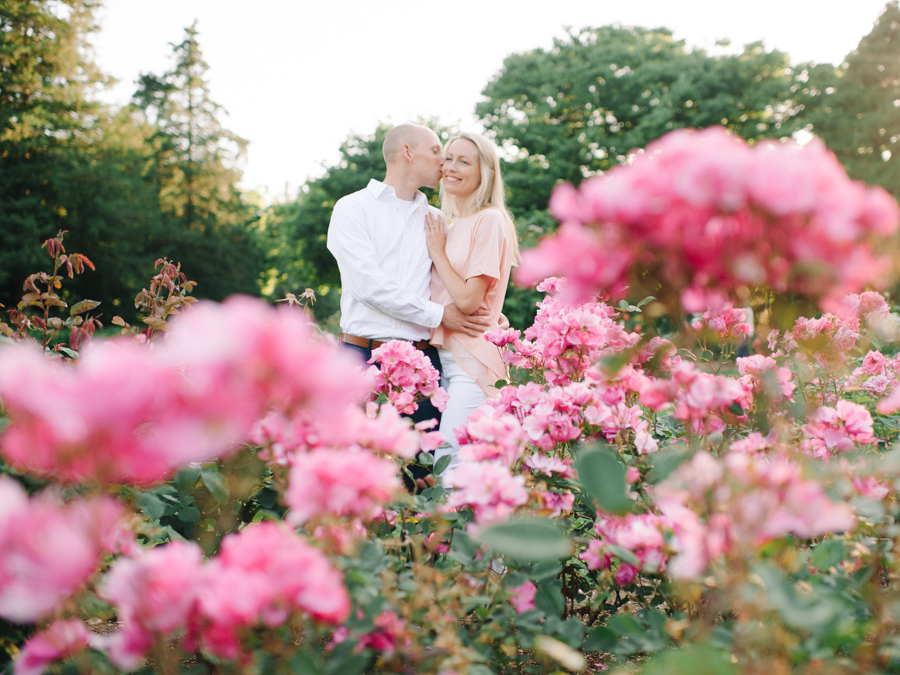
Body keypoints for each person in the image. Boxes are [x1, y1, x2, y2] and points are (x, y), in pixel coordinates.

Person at [326, 123, 491, 484]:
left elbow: (449, 283)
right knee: (355, 473)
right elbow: (367, 285)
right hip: (360, 358)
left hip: (422, 364)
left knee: (420, 475)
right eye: (437, 152)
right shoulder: (352, 208)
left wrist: (494, 317)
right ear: (406, 151)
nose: (444, 163)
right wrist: (439, 314)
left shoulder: (435, 220)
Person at [425, 131, 520, 472]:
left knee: (450, 470)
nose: (451, 167)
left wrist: (437, 253)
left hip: (474, 365)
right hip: (447, 361)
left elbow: (466, 300)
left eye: (464, 161)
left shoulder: (490, 220)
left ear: (485, 173)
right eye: (448, 158)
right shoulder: (453, 224)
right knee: (461, 471)